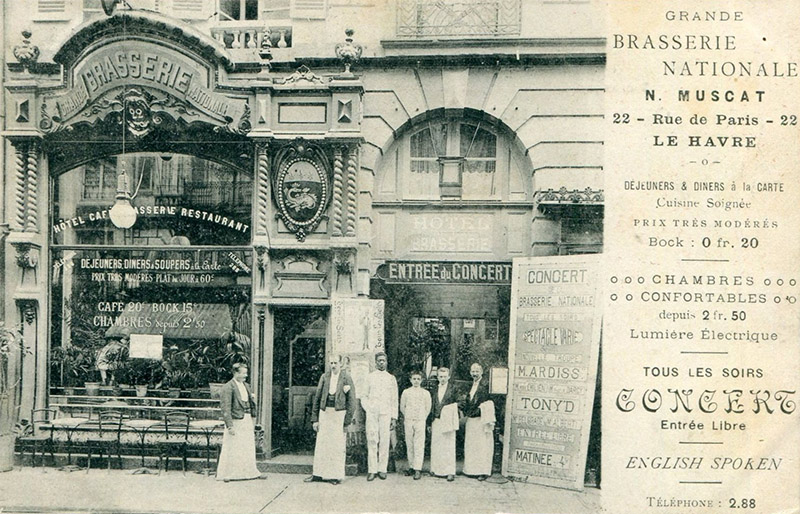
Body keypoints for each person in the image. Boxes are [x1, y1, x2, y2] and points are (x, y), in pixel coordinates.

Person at [305, 354, 355, 485]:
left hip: (339, 415)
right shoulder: (324, 377)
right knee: (322, 444)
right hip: (325, 413)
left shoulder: (346, 378)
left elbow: (352, 401)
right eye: (331, 363)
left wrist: (346, 421)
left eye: (335, 363)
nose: (333, 366)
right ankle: (317, 474)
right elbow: (317, 398)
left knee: (336, 445)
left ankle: (334, 476)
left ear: (340, 364)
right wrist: (315, 419)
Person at [216, 363, 264, 482]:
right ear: (235, 373)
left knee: (247, 446)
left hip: (246, 420)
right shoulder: (228, 387)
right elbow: (226, 408)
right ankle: (229, 474)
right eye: (243, 373)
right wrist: (230, 426)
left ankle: (250, 472)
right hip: (235, 421)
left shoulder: (246, 386)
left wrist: (253, 417)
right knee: (234, 447)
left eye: (246, 373)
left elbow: (251, 403)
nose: (245, 375)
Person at [362, 352, 398, 481]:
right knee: (372, 439)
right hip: (372, 413)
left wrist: (394, 417)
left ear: (386, 362)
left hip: (386, 413)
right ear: (375, 362)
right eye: (379, 360)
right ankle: (372, 470)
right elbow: (364, 396)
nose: (381, 362)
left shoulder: (391, 378)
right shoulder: (369, 377)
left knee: (384, 440)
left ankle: (382, 469)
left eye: (383, 360)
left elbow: (394, 399)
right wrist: (369, 409)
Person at [461, 363, 495, 480]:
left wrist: (480, 410)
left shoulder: (486, 385)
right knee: (472, 445)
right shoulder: (470, 385)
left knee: (482, 445)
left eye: (477, 371)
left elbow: (490, 402)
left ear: (481, 372)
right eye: (473, 371)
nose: (474, 374)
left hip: (482, 419)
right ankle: (471, 470)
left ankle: (483, 471)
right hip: (471, 419)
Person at [400, 370, 431, 480]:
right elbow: (402, 407)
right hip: (409, 420)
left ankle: (418, 468)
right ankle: (411, 466)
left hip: (420, 421)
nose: (416, 381)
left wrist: (422, 417)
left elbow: (428, 408)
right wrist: (408, 416)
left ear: (421, 380)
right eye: (414, 379)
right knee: (409, 443)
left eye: (418, 379)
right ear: (410, 380)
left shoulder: (425, 393)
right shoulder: (406, 392)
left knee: (419, 444)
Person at [429, 366, 459, 481]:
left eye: (445, 377)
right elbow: (431, 405)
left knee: (448, 446)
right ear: (437, 377)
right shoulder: (434, 389)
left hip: (448, 421)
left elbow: (459, 403)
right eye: (440, 376)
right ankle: (435, 469)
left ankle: (450, 471)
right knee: (436, 445)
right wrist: (430, 422)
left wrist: (448, 410)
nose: (442, 379)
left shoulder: (453, 389)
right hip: (436, 420)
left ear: (449, 377)